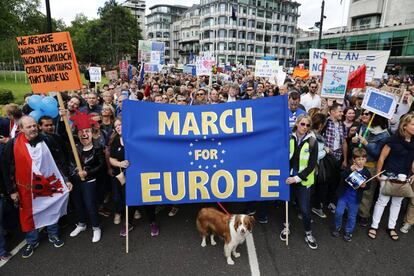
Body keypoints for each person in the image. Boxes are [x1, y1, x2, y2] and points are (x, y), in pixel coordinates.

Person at [2, 116, 71, 258]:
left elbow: (59, 160)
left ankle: (53, 234)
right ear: (21, 129)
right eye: (29, 127)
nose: (33, 128)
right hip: (26, 188)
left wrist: (65, 179)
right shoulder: (13, 144)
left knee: (52, 207)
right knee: (28, 214)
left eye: (34, 125)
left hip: (50, 183)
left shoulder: (47, 139)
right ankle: (32, 241)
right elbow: (7, 168)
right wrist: (12, 190)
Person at [109, 118, 159, 237]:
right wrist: (120, 164)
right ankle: (128, 223)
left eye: (120, 124)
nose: (119, 127)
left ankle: (152, 222)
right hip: (126, 176)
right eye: (116, 126)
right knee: (129, 200)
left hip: (141, 173)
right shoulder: (115, 141)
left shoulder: (136, 138)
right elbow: (112, 158)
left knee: (147, 199)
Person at [368, 113, 414, 241]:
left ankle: (391, 227)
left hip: (404, 177)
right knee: (382, 202)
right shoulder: (393, 139)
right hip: (388, 175)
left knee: (397, 203)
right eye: (413, 124)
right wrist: (378, 174)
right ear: (404, 126)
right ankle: (374, 226)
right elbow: (382, 157)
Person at [280, 114, 319, 249]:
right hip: (288, 178)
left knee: (304, 208)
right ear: (297, 124)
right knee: (287, 205)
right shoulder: (289, 137)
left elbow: (312, 165)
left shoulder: (313, 141)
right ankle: (286, 227)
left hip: (303, 181)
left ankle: (308, 233)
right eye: (302, 124)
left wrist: (296, 178)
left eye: (308, 125)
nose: (305, 127)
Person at [68, 112, 105, 243]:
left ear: (91, 132)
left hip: (90, 181)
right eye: (81, 132)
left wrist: (87, 173)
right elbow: (70, 162)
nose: (84, 134)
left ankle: (96, 228)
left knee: (90, 204)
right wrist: (75, 172)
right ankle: (81, 224)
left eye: (87, 131)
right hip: (76, 180)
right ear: (77, 134)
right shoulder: (74, 146)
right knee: (78, 204)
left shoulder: (97, 147)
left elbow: (101, 165)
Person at [332, 148, 371, 242]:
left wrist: (364, 186)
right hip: (344, 196)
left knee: (352, 216)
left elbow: (368, 186)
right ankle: (337, 227)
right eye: (358, 159)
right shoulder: (349, 167)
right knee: (338, 212)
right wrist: (349, 170)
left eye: (363, 159)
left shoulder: (367, 173)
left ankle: (348, 231)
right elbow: (342, 176)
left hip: (355, 199)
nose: (361, 161)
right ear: (354, 160)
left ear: (366, 159)